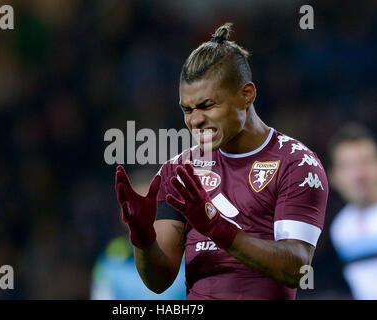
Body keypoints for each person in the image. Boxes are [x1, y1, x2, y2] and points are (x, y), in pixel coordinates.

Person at [114, 23, 328, 299]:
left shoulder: (296, 163)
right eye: (187, 109)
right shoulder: (179, 171)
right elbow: (159, 281)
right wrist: (142, 238)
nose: (195, 120)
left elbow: (297, 269)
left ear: (246, 94)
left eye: (207, 105)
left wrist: (217, 228)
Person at [91, 169, 186, 300]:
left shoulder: (188, 255)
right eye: (133, 206)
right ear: (121, 212)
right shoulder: (110, 257)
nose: (142, 215)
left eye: (152, 206)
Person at [328, 124, 377, 299]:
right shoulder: (340, 229)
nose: (359, 175)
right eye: (348, 166)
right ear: (334, 177)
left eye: (366, 162)